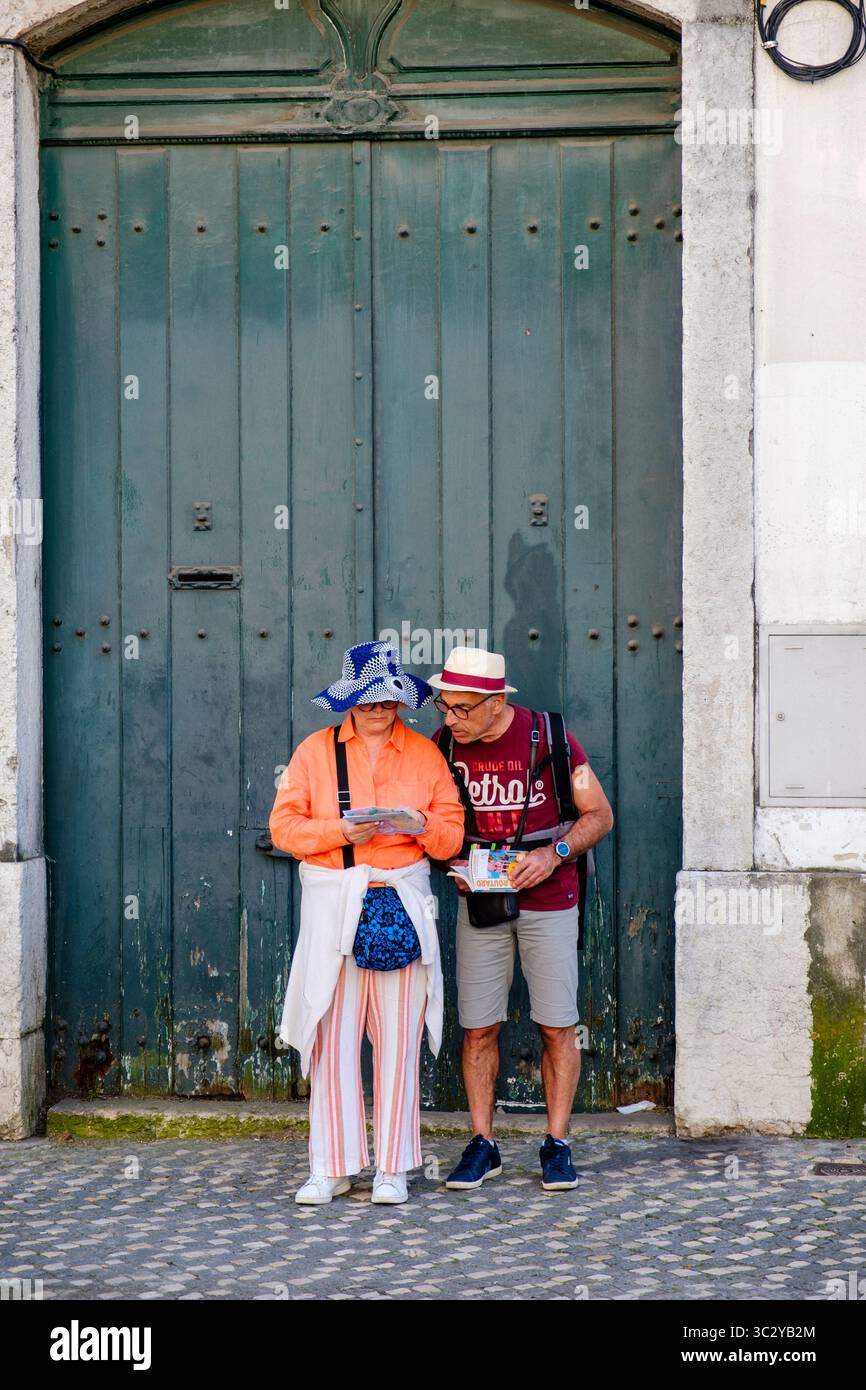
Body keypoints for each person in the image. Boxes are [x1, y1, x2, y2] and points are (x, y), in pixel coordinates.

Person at [270, 640, 464, 1206]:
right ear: (351, 700)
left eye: (388, 699)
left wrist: (418, 823)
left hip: (401, 907)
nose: (378, 708)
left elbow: (451, 836)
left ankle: (393, 1168)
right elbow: (284, 828)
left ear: (402, 702)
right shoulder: (313, 752)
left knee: (399, 1042)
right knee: (332, 1037)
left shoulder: (426, 756)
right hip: (335, 907)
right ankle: (332, 1166)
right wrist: (338, 833)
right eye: (368, 698)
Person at [428, 646, 614, 1193]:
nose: (450, 719)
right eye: (445, 707)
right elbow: (434, 824)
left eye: (463, 710)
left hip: (551, 899)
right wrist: (452, 863)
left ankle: (557, 1143)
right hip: (479, 904)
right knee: (478, 1026)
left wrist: (552, 855)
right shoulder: (443, 746)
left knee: (557, 1025)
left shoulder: (551, 738)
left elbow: (599, 815)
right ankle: (483, 1145)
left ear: (494, 703)